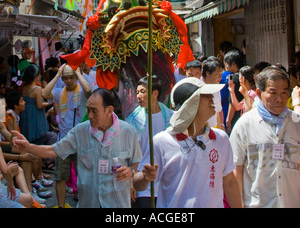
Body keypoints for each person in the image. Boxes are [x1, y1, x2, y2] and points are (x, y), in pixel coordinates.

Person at [12, 87, 142, 208]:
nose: (89, 115)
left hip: (117, 204)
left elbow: (135, 161)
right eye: (88, 110)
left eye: (94, 111)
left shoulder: (128, 132)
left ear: (109, 111)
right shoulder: (80, 131)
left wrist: (131, 173)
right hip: (88, 203)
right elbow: (54, 150)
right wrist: (28, 147)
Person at [133, 77, 242, 208]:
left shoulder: (221, 139)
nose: (212, 99)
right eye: (206, 96)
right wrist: (145, 177)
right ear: (190, 104)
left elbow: (229, 181)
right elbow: (138, 184)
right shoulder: (162, 141)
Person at [230, 66, 300, 208]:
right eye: (273, 93)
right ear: (259, 93)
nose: (279, 99)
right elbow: (236, 169)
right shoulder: (244, 125)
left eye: (284, 93)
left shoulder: (297, 123)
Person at [42, 63, 92, 207]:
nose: (68, 81)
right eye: (65, 78)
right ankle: (61, 206)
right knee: (60, 177)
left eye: (71, 77)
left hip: (81, 141)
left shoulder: (81, 91)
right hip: (63, 140)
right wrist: (57, 75)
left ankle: (83, 204)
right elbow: (44, 94)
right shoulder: (58, 92)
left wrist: (79, 75)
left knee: (83, 177)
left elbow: (89, 91)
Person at [126, 75, 173, 207]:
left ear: (155, 94)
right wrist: (132, 182)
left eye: (143, 92)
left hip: (166, 181)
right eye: (137, 92)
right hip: (143, 183)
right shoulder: (133, 121)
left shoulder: (171, 118)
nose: (139, 96)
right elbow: (130, 153)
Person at [19, 65, 53, 197]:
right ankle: (38, 178)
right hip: (36, 121)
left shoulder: (25, 88)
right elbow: (40, 104)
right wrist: (50, 103)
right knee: (38, 152)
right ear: (36, 75)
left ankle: (37, 177)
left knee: (30, 150)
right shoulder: (37, 89)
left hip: (27, 120)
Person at [224, 49, 244, 132]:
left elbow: (233, 100)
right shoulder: (242, 75)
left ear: (233, 64)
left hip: (236, 114)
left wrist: (228, 118)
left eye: (227, 63)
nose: (226, 66)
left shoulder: (235, 79)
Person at [201, 58, 224, 129]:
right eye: (218, 74)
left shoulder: (217, 87)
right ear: (208, 73)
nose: (220, 77)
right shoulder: (199, 88)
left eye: (221, 74)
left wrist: (221, 126)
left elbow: (218, 110)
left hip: (215, 128)